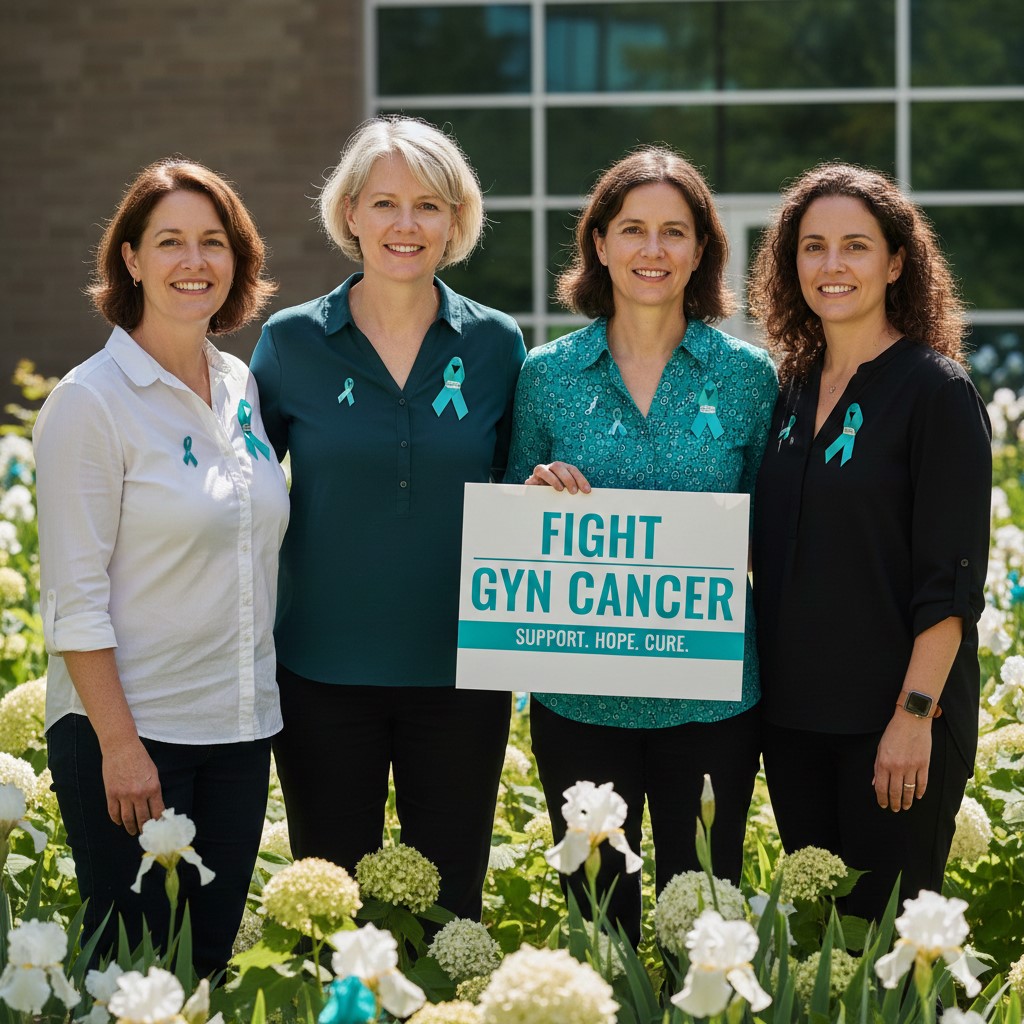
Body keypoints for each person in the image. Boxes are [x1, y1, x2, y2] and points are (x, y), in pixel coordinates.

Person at [250, 116, 526, 921]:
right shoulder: (290, 342)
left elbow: (516, 488)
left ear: (455, 221)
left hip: (461, 675)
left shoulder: (498, 346)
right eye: (385, 204)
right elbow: (246, 496)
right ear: (351, 215)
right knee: (333, 912)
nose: (406, 225)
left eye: (429, 206)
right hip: (320, 674)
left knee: (452, 910)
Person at [505, 146, 777, 944]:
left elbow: (773, 533)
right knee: (601, 931)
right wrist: (533, 503)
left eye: (674, 232)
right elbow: (514, 534)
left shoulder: (747, 377)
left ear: (702, 250)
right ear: (598, 243)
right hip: (579, 701)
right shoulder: (546, 374)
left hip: (714, 701)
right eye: (632, 230)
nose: (652, 251)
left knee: (705, 920)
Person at [34, 158, 289, 975]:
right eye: (170, 241)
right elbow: (73, 598)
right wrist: (120, 745)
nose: (194, 261)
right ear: (132, 260)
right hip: (135, 742)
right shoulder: (91, 400)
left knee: (206, 968)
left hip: (239, 733)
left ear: (238, 261)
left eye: (213, 242)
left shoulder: (240, 385)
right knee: (133, 975)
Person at [748, 162, 992, 921]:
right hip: (792, 725)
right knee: (823, 950)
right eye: (813, 246)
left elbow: (950, 581)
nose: (832, 265)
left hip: (896, 728)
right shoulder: (788, 388)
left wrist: (913, 716)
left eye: (855, 246)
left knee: (889, 952)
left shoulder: (936, 391)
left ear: (895, 262)